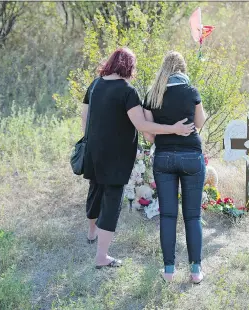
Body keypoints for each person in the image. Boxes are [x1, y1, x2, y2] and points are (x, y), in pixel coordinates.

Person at [81, 47, 195, 268]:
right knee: (112, 201)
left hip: (93, 151)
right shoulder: (127, 91)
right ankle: (101, 256)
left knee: (95, 190)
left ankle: (91, 231)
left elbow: (84, 117)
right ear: (128, 67)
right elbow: (142, 125)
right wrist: (173, 128)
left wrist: (91, 139)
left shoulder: (95, 85)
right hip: (116, 155)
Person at [142, 51, 207, 283]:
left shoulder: (152, 95)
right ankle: (195, 271)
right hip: (191, 157)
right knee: (192, 216)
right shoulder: (191, 92)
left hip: (164, 158)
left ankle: (169, 271)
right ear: (182, 69)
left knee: (168, 215)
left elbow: (149, 136)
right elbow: (199, 123)